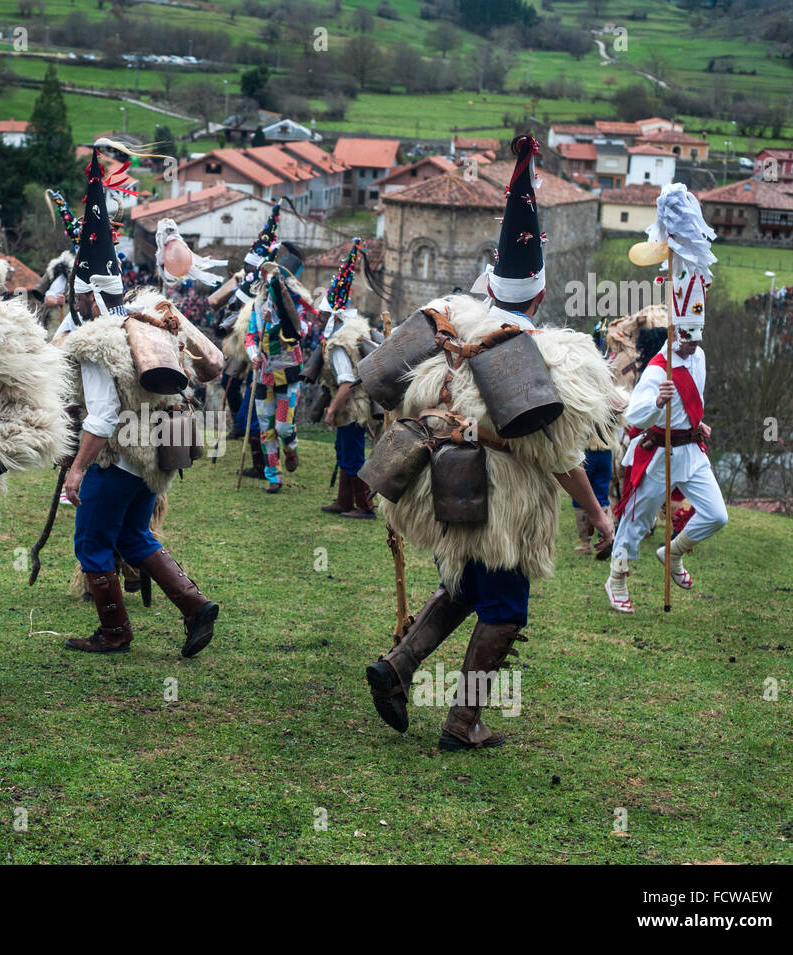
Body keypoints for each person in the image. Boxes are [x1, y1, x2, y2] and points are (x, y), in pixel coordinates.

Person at [366, 135, 616, 750]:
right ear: (538, 293)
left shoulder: (452, 326)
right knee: (504, 609)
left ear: (488, 284)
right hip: (503, 502)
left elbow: (391, 388)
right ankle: (462, 723)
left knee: (466, 587)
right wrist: (598, 513)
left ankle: (397, 669)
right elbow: (558, 457)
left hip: (445, 480)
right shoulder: (551, 355)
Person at [59, 145, 220, 658]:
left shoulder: (95, 338)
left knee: (92, 544)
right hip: (155, 457)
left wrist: (78, 470)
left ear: (83, 296)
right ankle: (195, 607)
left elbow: (103, 415)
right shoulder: (147, 314)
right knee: (134, 537)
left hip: (119, 458)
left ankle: (114, 632)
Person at [607, 268, 728, 612]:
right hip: (659, 454)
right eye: (687, 338)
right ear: (675, 332)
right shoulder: (660, 369)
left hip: (691, 450)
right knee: (637, 520)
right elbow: (636, 415)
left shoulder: (699, 357)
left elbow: (693, 401)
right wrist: (658, 402)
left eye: (696, 339)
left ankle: (672, 553)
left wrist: (697, 424)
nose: (692, 345)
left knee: (717, 515)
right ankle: (616, 578)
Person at [317, 241, 377, 518]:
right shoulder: (355, 328)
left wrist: (331, 410)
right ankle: (344, 501)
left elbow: (346, 382)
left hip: (352, 406)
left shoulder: (340, 342)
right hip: (353, 404)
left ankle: (365, 506)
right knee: (344, 450)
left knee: (352, 455)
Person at [245, 250, 309, 494]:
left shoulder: (297, 307)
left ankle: (290, 447)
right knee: (266, 428)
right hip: (263, 377)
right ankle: (274, 476)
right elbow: (250, 337)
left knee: (283, 427)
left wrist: (279, 320)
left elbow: (299, 332)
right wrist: (253, 355)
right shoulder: (257, 306)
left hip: (289, 374)